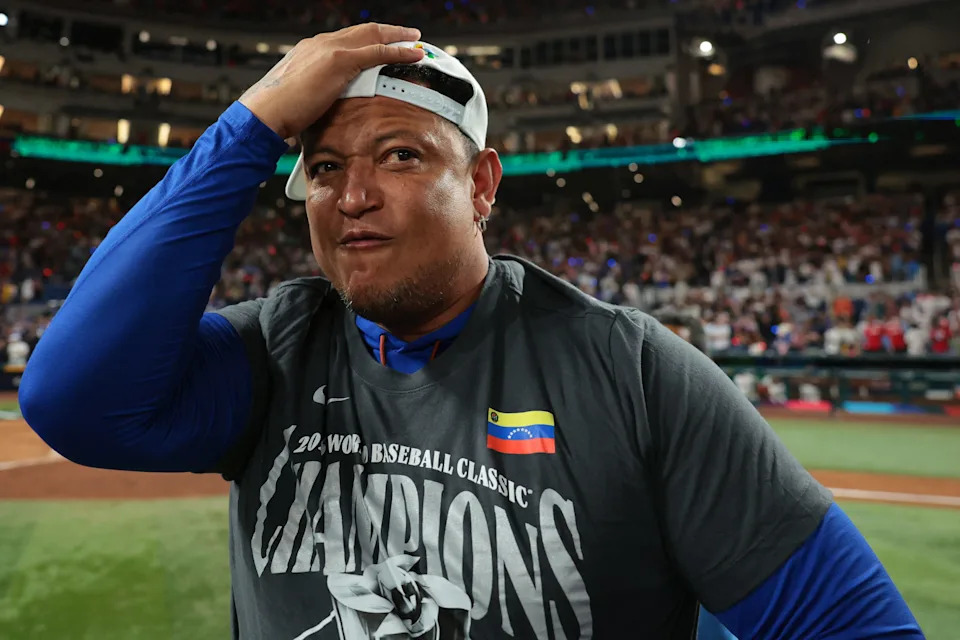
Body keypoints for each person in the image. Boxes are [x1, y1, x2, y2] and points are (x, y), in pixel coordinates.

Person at [21, 24, 923, 640]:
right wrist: (252, 123)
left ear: (483, 185)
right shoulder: (275, 351)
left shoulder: (632, 372)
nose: (354, 196)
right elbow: (72, 400)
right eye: (326, 168)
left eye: (401, 156)